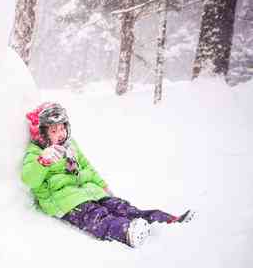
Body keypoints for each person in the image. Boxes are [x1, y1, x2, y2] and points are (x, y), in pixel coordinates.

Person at [21, 103, 194, 248]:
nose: (61, 134)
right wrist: (42, 161)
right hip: (65, 202)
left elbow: (87, 165)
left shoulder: (71, 145)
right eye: (53, 131)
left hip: (90, 191)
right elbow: (29, 179)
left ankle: (164, 221)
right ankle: (125, 231)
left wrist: (102, 185)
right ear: (42, 132)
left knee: (122, 207)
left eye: (62, 128)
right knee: (97, 217)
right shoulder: (36, 152)